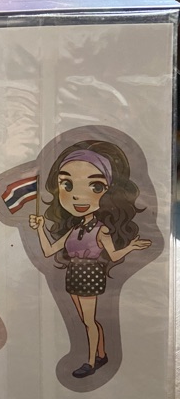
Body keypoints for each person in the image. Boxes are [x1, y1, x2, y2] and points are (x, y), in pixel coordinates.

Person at [29, 140, 151, 378]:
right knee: (88, 320)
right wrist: (40, 228)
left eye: (95, 186)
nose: (78, 196)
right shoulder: (74, 228)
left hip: (90, 274)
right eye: (67, 184)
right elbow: (49, 250)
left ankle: (92, 361)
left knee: (89, 321)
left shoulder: (101, 229)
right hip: (74, 274)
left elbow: (113, 255)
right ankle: (102, 354)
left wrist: (130, 246)